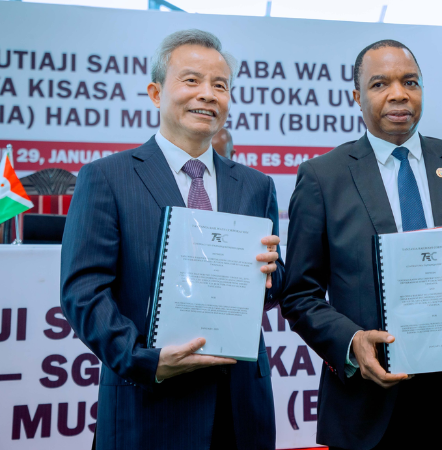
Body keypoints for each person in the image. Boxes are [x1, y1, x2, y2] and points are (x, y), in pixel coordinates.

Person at [280, 39, 442, 450]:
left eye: (410, 81)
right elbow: (300, 293)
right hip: (368, 403)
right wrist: (352, 343)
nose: (398, 94)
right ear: (356, 96)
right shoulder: (323, 177)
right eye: (379, 84)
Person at [60, 29, 284, 450]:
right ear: (156, 92)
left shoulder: (257, 186)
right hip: (149, 404)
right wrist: (147, 361)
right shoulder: (108, 177)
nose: (208, 94)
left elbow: (270, 287)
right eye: (192, 80)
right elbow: (82, 293)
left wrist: (272, 275)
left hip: (240, 409)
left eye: (220, 85)